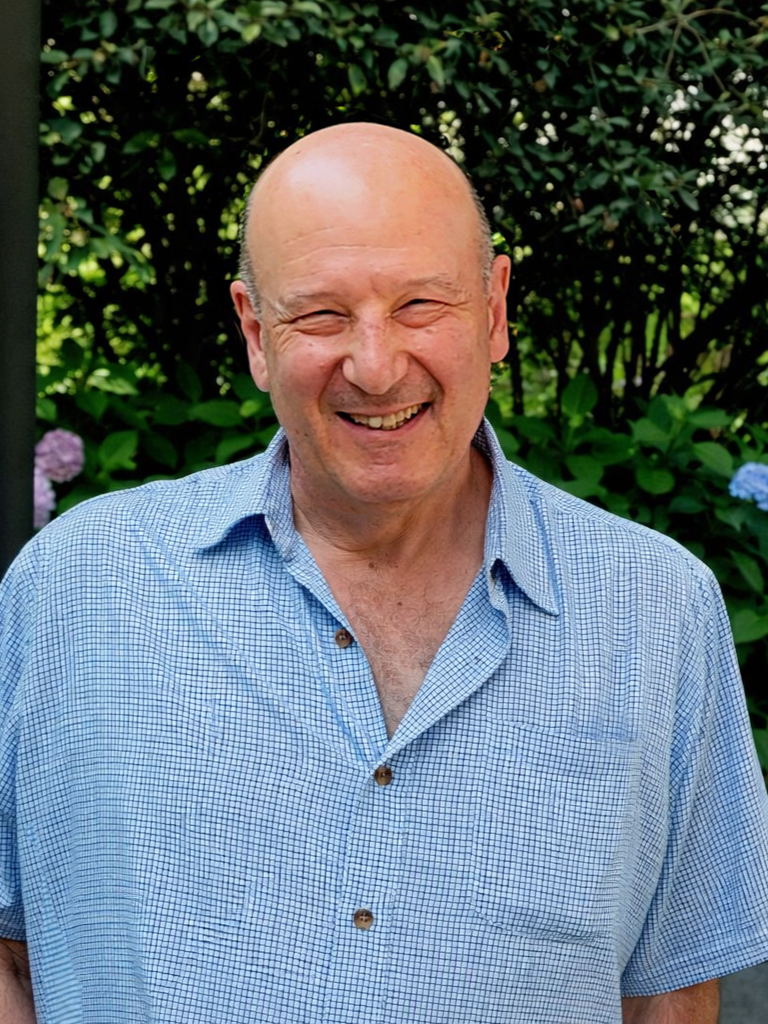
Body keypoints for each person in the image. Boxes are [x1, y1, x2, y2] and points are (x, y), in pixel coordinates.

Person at [1, 122, 767, 1024]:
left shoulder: (658, 610)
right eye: (322, 316)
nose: (375, 364)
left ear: (493, 311)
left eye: (420, 307)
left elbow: (670, 997)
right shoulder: (76, 587)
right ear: (255, 332)